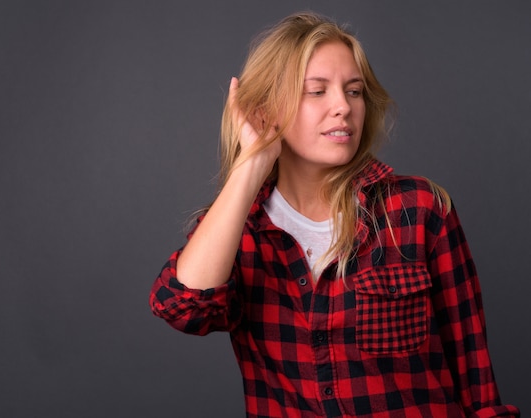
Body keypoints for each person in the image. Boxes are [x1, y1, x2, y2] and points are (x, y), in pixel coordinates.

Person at [149, 11, 519, 418]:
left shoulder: (419, 209)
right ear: (267, 110)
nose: (343, 106)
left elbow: (476, 378)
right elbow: (183, 307)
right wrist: (249, 167)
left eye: (354, 91)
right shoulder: (239, 229)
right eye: (317, 91)